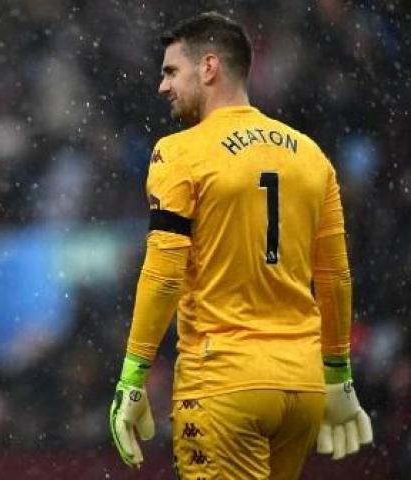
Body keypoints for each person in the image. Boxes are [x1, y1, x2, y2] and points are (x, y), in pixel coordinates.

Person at [108, 11, 373, 480]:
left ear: (209, 68)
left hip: (224, 381)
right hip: (301, 386)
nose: (162, 87)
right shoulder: (311, 156)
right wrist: (338, 376)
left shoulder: (179, 153)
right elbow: (334, 278)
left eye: (171, 71)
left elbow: (163, 273)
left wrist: (132, 378)